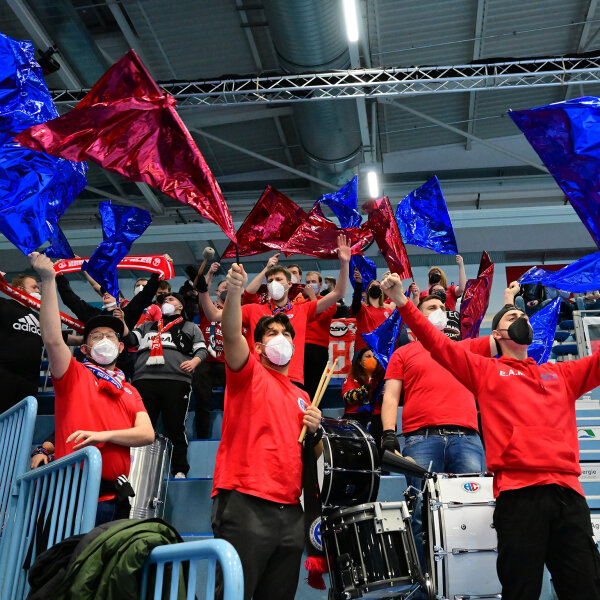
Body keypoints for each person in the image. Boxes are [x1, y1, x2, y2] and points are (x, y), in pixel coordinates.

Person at [381, 273, 600, 600]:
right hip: (518, 495)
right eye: (513, 316)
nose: (521, 319)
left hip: (569, 495)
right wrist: (402, 300)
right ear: (497, 334)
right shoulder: (486, 370)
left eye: (524, 316)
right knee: (520, 591)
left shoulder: (561, 374)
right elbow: (436, 342)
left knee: (586, 590)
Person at [381, 287, 518, 568]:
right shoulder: (404, 353)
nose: (438, 312)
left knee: (474, 512)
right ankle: (425, 589)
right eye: (430, 308)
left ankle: (470, 584)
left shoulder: (466, 347)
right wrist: (388, 433)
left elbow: (508, 336)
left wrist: (508, 301)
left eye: (441, 308)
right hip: (420, 439)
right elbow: (391, 395)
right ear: (415, 318)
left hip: (466, 438)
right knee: (420, 515)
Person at [211, 261, 322, 600]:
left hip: (291, 512)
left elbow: (313, 455)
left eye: (287, 333)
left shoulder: (304, 396)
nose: (282, 338)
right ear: (257, 347)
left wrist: (316, 432)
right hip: (245, 502)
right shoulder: (247, 374)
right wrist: (233, 293)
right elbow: (231, 333)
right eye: (272, 333)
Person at [29, 252, 154, 525]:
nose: (105, 340)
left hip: (114, 497)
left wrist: (103, 436)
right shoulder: (73, 373)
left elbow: (146, 434)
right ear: (85, 349)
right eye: (97, 336)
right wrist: (49, 281)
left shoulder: (130, 390)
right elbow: (51, 338)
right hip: (70, 493)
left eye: (111, 336)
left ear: (121, 348)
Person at [199, 235, 351, 388]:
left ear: (289, 284)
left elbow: (338, 293)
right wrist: (203, 291)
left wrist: (344, 263)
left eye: (279, 280)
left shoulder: (303, 309)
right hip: (258, 379)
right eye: (270, 281)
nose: (274, 284)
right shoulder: (253, 309)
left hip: (292, 379)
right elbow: (213, 315)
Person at [125, 292, 207, 478]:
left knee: (175, 427)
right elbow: (130, 340)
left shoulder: (190, 327)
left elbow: (201, 349)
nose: (165, 303)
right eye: (163, 301)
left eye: (171, 300)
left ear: (181, 306)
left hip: (176, 381)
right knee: (141, 428)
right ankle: (134, 469)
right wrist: (122, 321)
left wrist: (194, 362)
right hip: (144, 381)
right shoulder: (147, 326)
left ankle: (179, 469)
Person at [193, 277, 227, 439]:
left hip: (227, 362)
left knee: (234, 403)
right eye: (223, 287)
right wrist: (211, 274)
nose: (227, 288)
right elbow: (201, 291)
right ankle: (202, 437)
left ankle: (232, 435)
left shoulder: (238, 311)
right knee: (202, 402)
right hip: (205, 360)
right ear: (217, 292)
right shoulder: (209, 307)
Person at [303, 270, 337, 401]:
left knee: (317, 388)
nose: (310, 285)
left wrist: (313, 298)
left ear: (321, 284)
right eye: (307, 282)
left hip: (318, 348)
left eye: (313, 282)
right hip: (301, 348)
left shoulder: (329, 301)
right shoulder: (300, 303)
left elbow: (321, 316)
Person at [341, 348, 385, 445]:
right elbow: (348, 397)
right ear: (360, 361)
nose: (372, 359)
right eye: (368, 357)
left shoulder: (382, 379)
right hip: (355, 418)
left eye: (374, 357)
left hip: (376, 419)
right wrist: (368, 388)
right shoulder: (351, 378)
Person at [350, 270, 395, 352]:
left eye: (378, 286)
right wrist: (359, 284)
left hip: (381, 352)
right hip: (364, 350)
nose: (375, 288)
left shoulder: (388, 311)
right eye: (372, 286)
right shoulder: (362, 308)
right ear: (368, 291)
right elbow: (356, 303)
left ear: (381, 292)